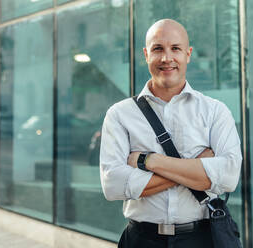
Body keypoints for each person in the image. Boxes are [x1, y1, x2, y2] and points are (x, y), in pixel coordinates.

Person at [100, 19, 242, 248]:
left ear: (188, 54)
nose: (167, 58)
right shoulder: (119, 115)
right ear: (146, 54)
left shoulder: (215, 111)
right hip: (141, 240)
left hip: (202, 239)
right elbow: (113, 185)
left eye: (175, 48)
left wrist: (150, 161)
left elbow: (228, 176)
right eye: (158, 49)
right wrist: (197, 168)